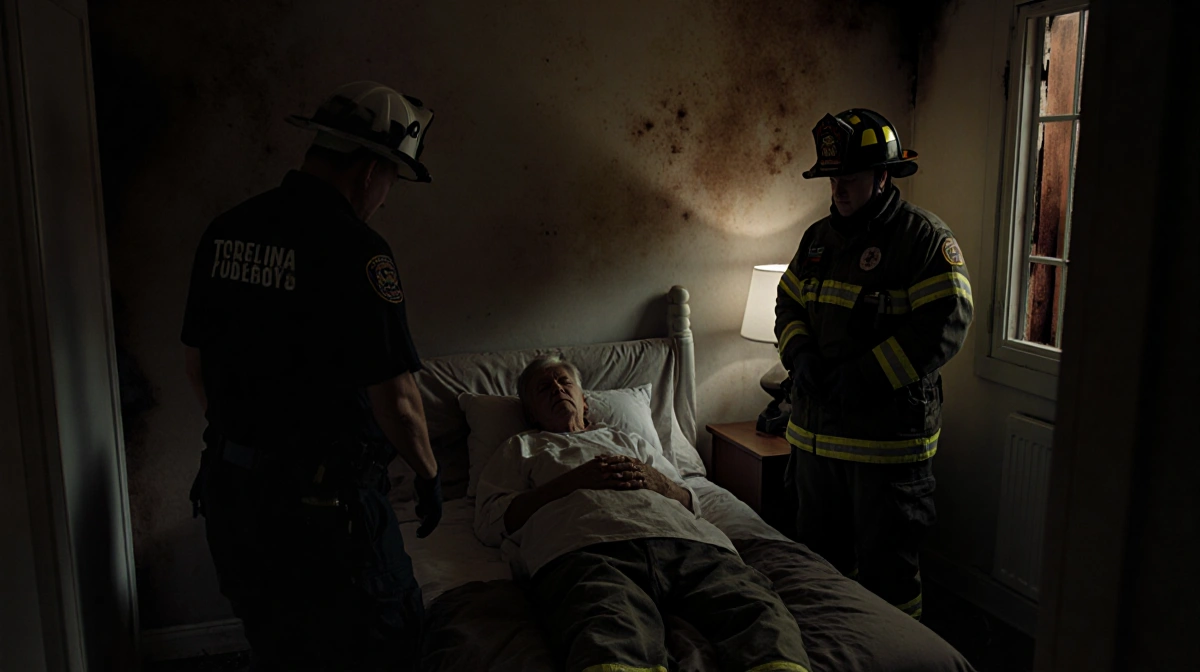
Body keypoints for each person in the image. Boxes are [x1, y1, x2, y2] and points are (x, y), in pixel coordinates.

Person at [181, 81, 443, 671]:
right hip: (326, 521)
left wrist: (250, 442)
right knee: (386, 647)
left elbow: (196, 367)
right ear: (371, 169)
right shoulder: (360, 251)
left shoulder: (227, 231)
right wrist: (428, 474)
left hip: (234, 503)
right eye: (393, 182)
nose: (386, 198)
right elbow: (398, 402)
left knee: (281, 651)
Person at [475, 356, 810, 672]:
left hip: (687, 542)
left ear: (585, 400)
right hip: (588, 551)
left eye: (564, 383)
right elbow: (491, 521)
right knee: (608, 632)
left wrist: (659, 483)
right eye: (544, 389)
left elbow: (690, 499)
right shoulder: (521, 448)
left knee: (757, 612)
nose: (558, 390)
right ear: (531, 413)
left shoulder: (628, 439)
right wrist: (571, 483)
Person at [774, 108, 973, 621]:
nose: (838, 189)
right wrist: (799, 355)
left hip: (886, 451)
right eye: (833, 179)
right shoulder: (817, 240)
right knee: (819, 571)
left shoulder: (922, 239)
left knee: (890, 579)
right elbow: (789, 302)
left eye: (851, 178)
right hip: (816, 441)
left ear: (883, 177)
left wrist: (864, 375)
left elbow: (946, 322)